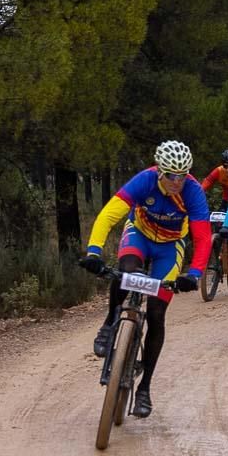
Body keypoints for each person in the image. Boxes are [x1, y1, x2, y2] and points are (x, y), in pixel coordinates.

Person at [79, 140, 211, 418]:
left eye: (182, 175)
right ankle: (108, 323)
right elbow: (108, 215)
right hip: (139, 234)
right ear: (160, 171)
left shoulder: (193, 191)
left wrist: (195, 274)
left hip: (169, 246)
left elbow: (202, 237)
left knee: (156, 312)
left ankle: (145, 388)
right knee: (125, 270)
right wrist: (93, 251)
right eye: (171, 175)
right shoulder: (145, 180)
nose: (177, 181)